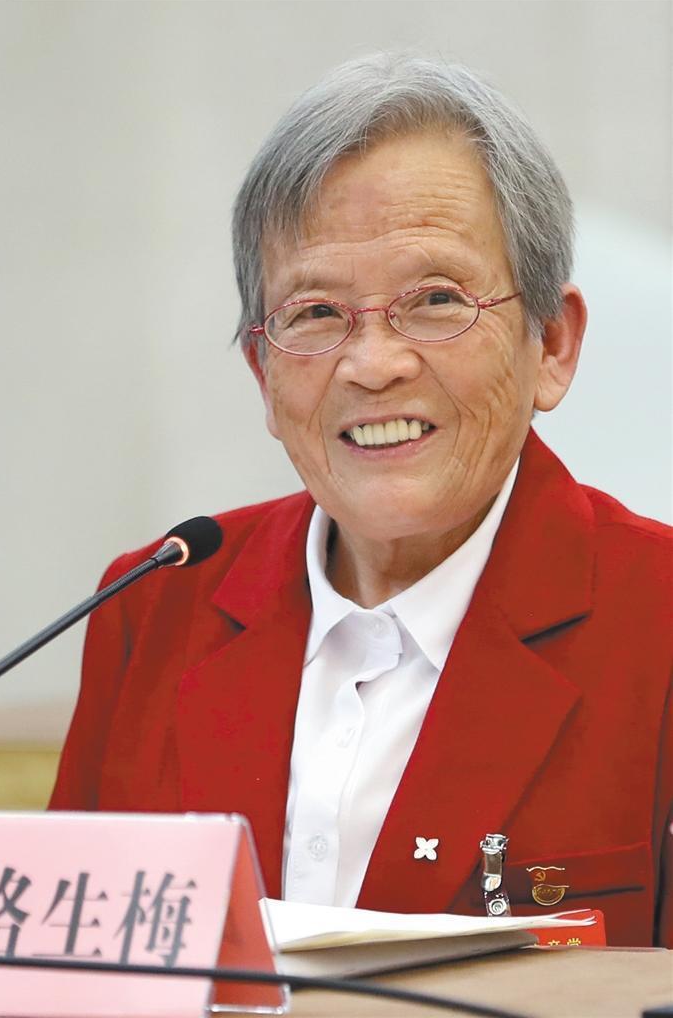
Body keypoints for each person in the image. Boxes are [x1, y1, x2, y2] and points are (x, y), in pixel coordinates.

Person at [50, 54, 672, 948]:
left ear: (550, 344)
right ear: (263, 375)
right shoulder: (156, 604)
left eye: (435, 301)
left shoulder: (656, 617)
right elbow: (66, 970)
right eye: (313, 313)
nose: (373, 365)